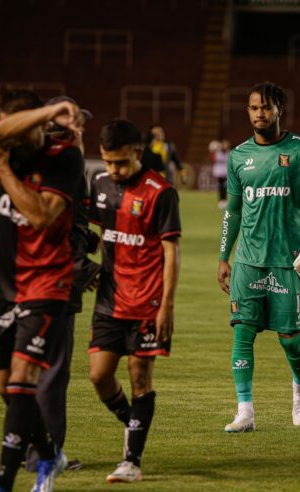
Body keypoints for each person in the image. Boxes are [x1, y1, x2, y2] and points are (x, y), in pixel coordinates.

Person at [0, 90, 84, 492]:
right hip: (2, 282)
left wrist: (4, 170)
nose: (7, 139)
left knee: (24, 377)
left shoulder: (66, 158)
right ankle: (50, 452)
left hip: (46, 281)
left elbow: (41, 215)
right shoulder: (1, 145)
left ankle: (4, 481)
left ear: (38, 126)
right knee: (6, 386)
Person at [218, 81, 300, 433]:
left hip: (287, 261)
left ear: (280, 109)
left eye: (266, 107)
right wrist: (223, 257)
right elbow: (231, 211)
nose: (259, 114)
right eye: (253, 108)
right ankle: (245, 411)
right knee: (242, 332)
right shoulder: (237, 156)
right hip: (248, 260)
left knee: (289, 338)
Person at [88, 119, 181, 483]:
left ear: (138, 154)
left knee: (140, 376)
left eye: (122, 163)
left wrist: (167, 306)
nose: (114, 170)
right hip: (109, 301)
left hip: (147, 303)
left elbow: (172, 253)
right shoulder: (98, 185)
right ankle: (134, 421)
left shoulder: (161, 192)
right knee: (99, 375)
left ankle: (131, 460)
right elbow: (90, 232)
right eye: (108, 162)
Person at [25, 96, 99, 472]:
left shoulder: (44, 162)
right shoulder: (66, 162)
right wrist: (76, 263)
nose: (81, 129)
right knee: (53, 371)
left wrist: (89, 243)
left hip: (36, 280)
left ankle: (33, 448)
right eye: (75, 123)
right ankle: (46, 454)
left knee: (38, 370)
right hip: (54, 282)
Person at [211, 139, 230, 209]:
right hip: (219, 172)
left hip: (225, 172)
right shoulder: (217, 152)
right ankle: (221, 201)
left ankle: (224, 200)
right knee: (220, 187)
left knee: (225, 187)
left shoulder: (229, 152)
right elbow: (213, 159)